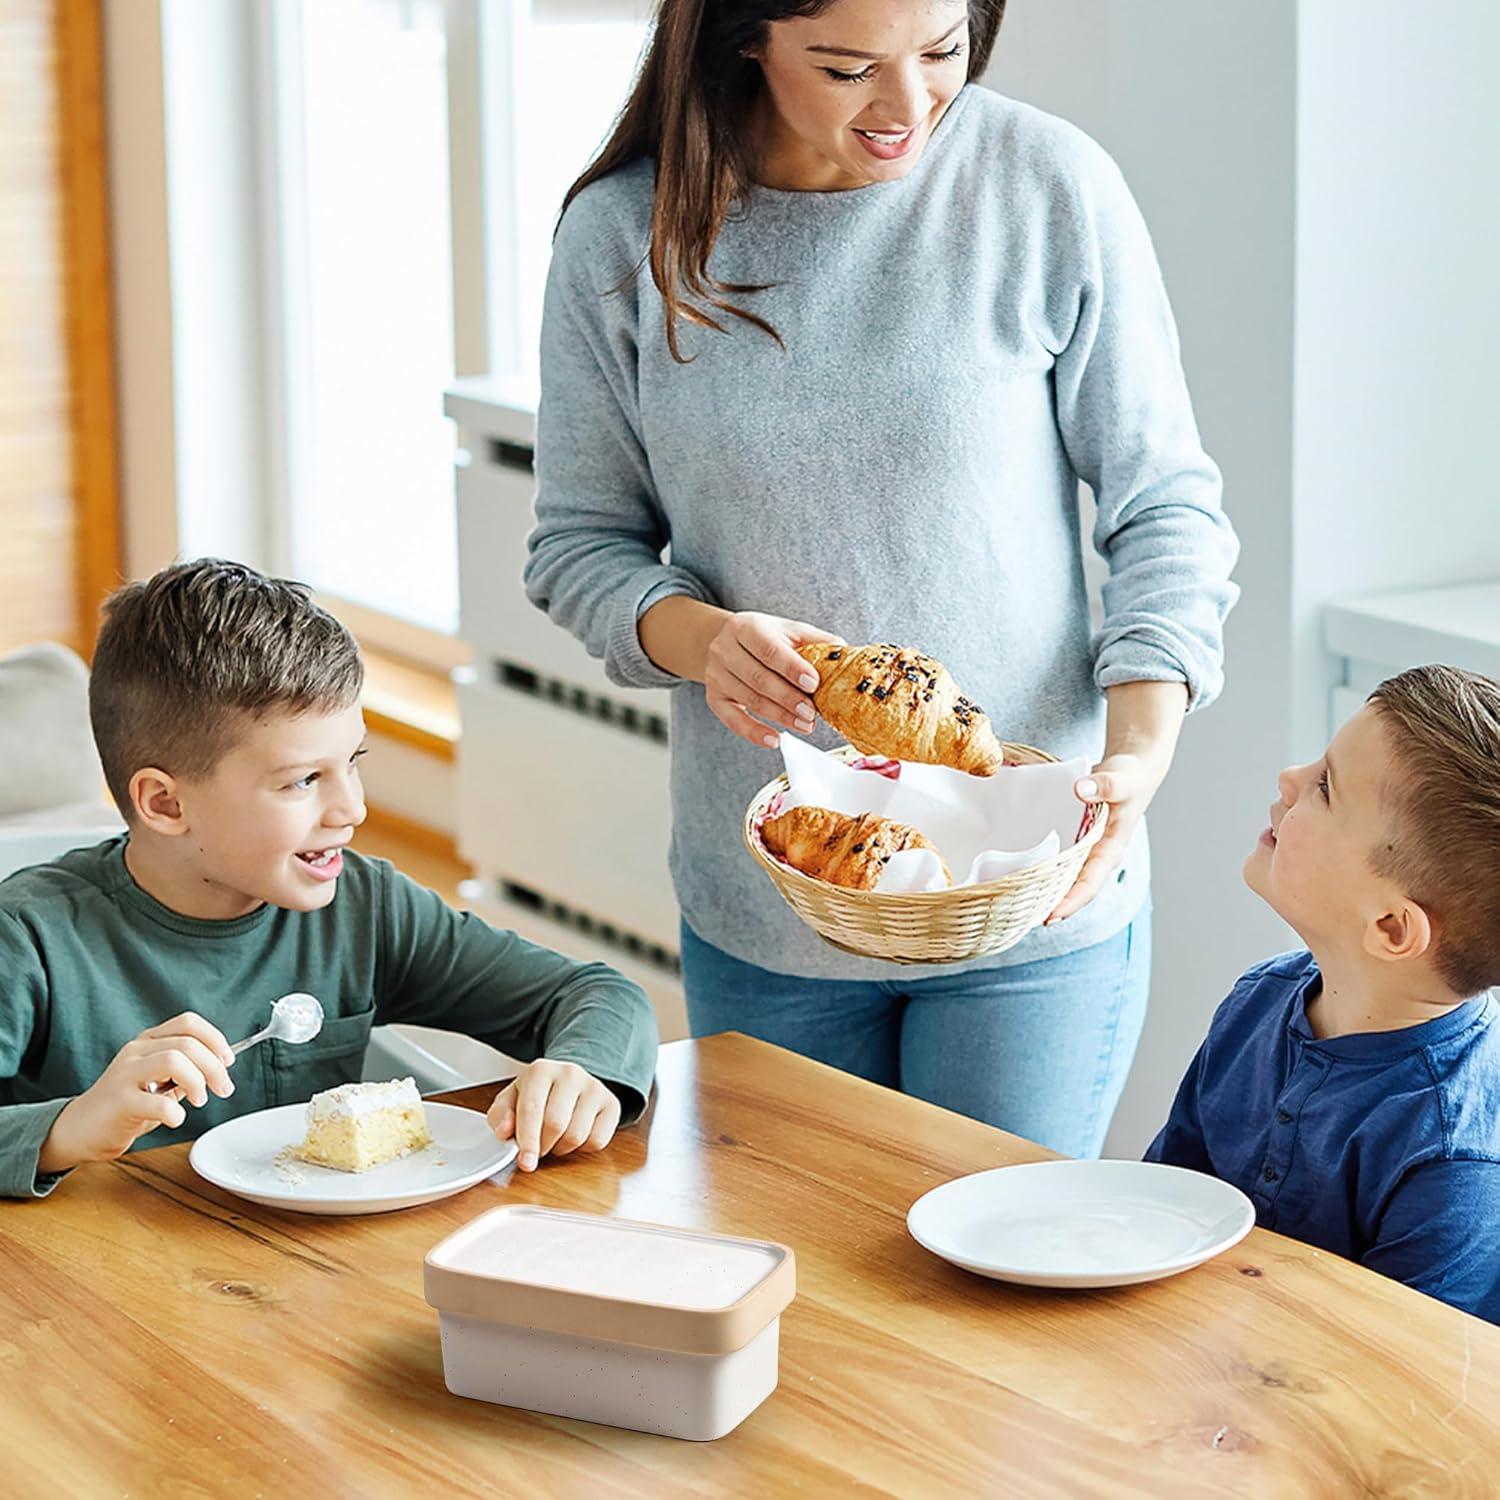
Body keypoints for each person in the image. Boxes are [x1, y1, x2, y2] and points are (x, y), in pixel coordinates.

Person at [524, 0, 1238, 1156]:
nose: (910, 105)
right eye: (849, 66)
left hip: (1027, 886)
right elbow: (578, 545)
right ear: (745, 35)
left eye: (943, 51)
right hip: (775, 909)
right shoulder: (623, 238)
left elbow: (1164, 502)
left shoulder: (1044, 185)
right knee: (805, 1264)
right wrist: (702, 640)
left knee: (996, 1261)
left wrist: (1139, 754)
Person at [0, 559, 658, 1199]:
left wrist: (583, 1071)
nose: (352, 810)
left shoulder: (367, 907)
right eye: (303, 780)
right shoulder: (25, 938)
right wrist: (68, 1128)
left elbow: (597, 994)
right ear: (166, 804)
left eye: (353, 761)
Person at [1148, 666, 1500, 1324]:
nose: (1289, 777)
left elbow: (1402, 1370)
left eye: (1325, 787)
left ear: (1391, 928)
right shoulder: (1257, 1000)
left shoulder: (1454, 1159)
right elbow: (1154, 1210)